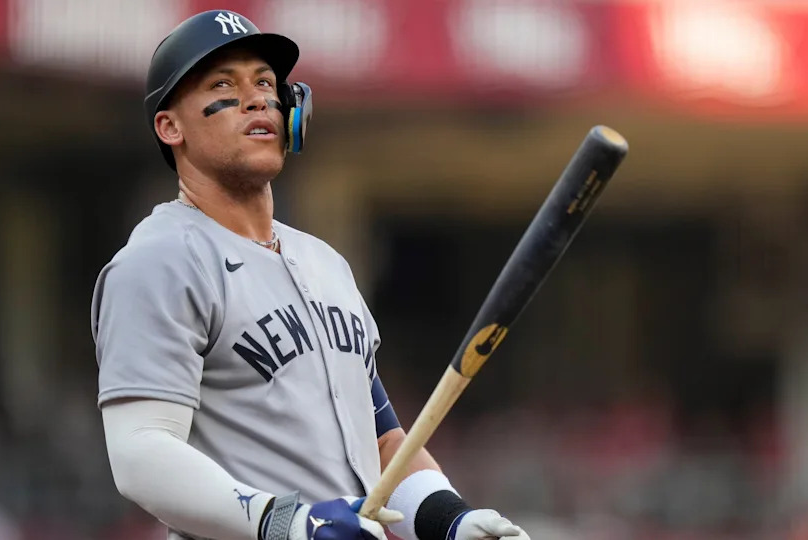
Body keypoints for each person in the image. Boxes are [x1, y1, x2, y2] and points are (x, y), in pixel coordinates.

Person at [91, 10, 530, 540]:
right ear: (170, 126)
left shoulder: (325, 262)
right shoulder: (159, 260)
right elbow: (140, 453)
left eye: (266, 83)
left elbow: (383, 439)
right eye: (224, 84)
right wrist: (290, 524)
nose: (257, 99)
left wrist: (449, 521)